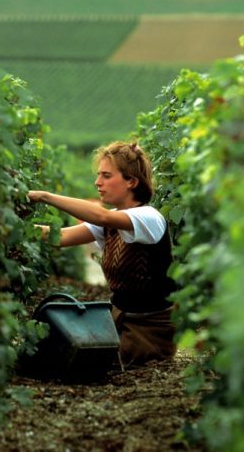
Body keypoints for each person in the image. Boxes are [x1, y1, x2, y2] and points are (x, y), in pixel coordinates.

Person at [27, 140, 178, 368]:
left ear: (132, 182)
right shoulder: (113, 220)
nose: (98, 183)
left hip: (149, 332)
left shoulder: (149, 217)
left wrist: (44, 196)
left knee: (75, 364)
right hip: (117, 321)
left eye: (107, 176)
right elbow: (58, 237)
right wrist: (11, 227)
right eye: (99, 175)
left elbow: (102, 217)